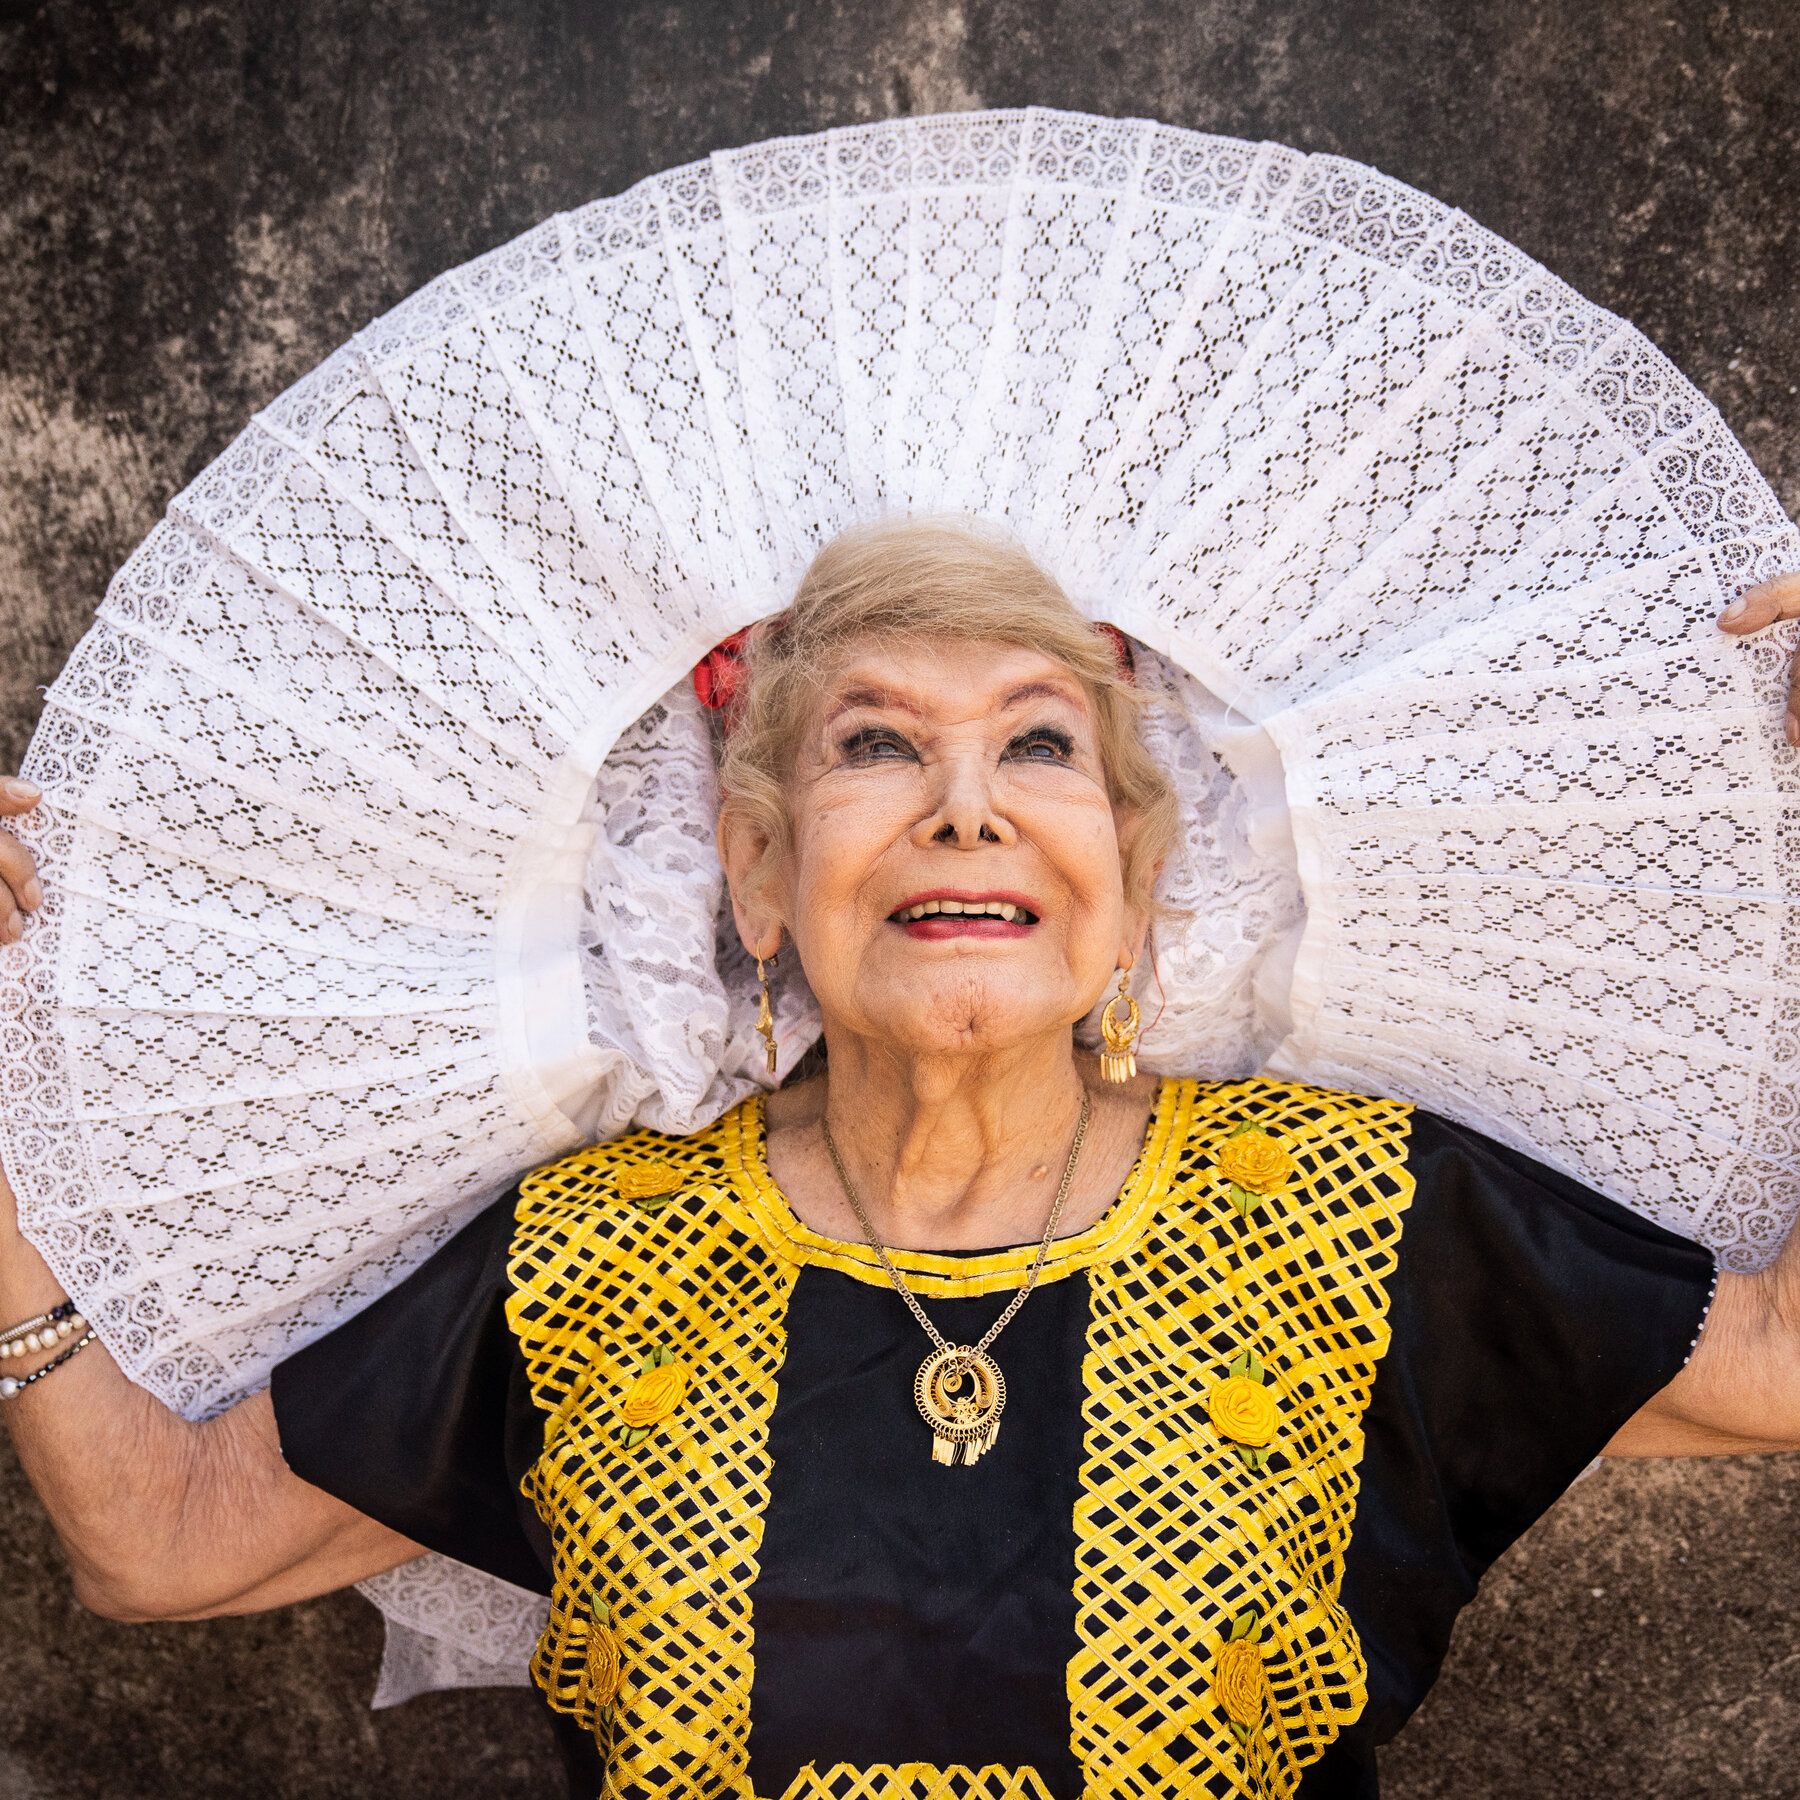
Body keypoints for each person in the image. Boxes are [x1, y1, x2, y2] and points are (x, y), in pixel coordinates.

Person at [0, 520, 1798, 1800]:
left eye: (1039, 741)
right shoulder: (595, 1255)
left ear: (1136, 885)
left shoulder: (1361, 1215)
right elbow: (159, 1540)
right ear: (761, 876)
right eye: (878, 744)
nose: (968, 801)